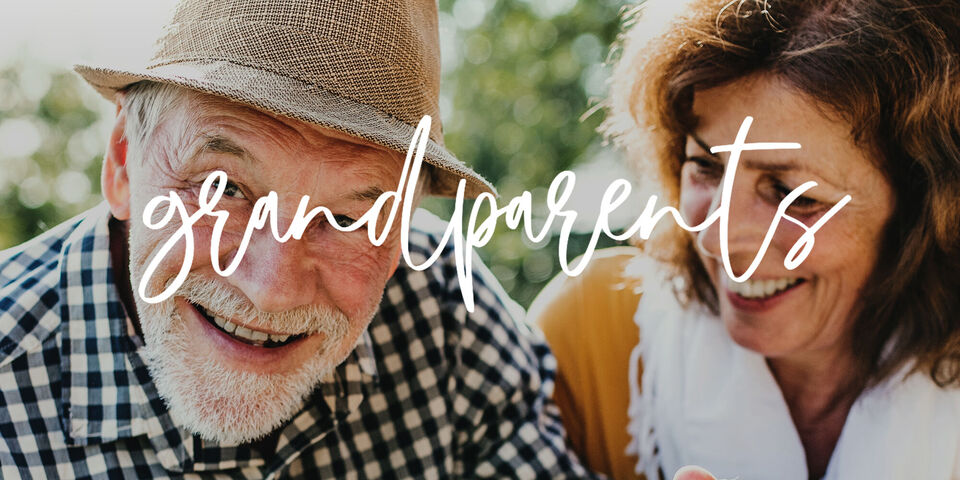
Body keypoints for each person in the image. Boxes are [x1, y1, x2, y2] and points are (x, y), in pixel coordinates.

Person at [0, 0, 595, 477]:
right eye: (223, 188)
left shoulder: (448, 318)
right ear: (123, 164)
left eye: (346, 220)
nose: (273, 291)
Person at [531, 0, 960, 478]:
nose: (716, 237)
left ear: (925, 208)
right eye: (706, 167)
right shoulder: (592, 331)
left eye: (791, 194)